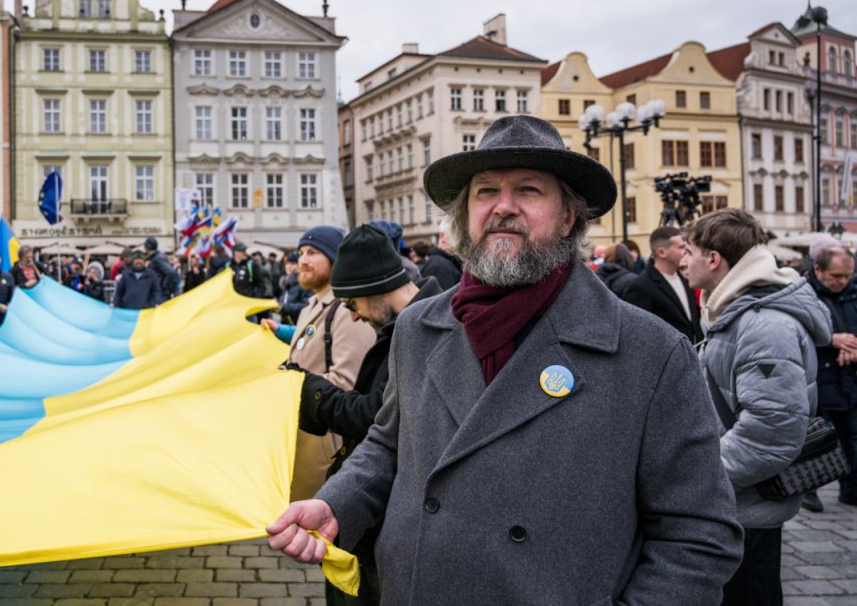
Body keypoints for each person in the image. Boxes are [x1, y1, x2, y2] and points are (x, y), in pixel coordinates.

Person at [268, 115, 743, 603]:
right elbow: (389, 445)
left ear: (568, 217)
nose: (503, 207)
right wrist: (338, 503)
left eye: (530, 190)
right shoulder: (418, 326)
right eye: (485, 191)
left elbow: (699, 538)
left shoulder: (652, 352)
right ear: (465, 213)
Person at [680, 207, 829, 605]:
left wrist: (695, 479)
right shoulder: (737, 310)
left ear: (714, 259)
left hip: (746, 506)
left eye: (689, 251)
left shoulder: (764, 325)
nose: (683, 261)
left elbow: (770, 434)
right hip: (736, 502)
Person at [293, 225, 442, 605]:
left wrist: (311, 391)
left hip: (392, 515)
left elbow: (379, 419)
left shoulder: (427, 331)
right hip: (372, 510)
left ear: (376, 289)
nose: (354, 318)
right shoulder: (408, 325)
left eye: (352, 305)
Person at [262, 226, 376, 502]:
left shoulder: (345, 308)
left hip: (325, 444)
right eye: (301, 253)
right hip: (301, 435)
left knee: (315, 533)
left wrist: (291, 384)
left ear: (335, 259)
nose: (302, 260)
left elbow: (349, 384)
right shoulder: (311, 305)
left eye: (313, 253)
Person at [804, 245, 857, 512]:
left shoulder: (853, 293)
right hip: (816, 376)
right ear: (818, 270)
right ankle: (808, 490)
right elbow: (798, 334)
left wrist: (854, 347)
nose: (842, 282)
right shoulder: (804, 294)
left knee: (852, 435)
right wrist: (831, 341)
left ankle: (851, 489)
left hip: (847, 377)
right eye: (836, 275)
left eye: (847, 276)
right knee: (814, 436)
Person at [621, 226, 701, 344]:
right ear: (662, 252)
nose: (686, 251)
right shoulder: (639, 287)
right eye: (681, 247)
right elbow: (639, 335)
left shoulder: (685, 278)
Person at [419, 220, 462, 290]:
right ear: (442, 237)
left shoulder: (449, 262)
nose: (462, 239)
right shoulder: (440, 266)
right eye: (457, 234)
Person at [144, 236, 181, 303]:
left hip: (160, 295)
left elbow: (171, 272)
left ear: (147, 247)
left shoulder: (157, 259)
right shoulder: (156, 258)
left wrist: (163, 287)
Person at [277, 252, 310, 325]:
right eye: (287, 263)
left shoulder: (304, 283)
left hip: (298, 325)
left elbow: (307, 305)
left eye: (292, 264)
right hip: (286, 324)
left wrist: (285, 307)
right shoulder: (286, 282)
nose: (289, 266)